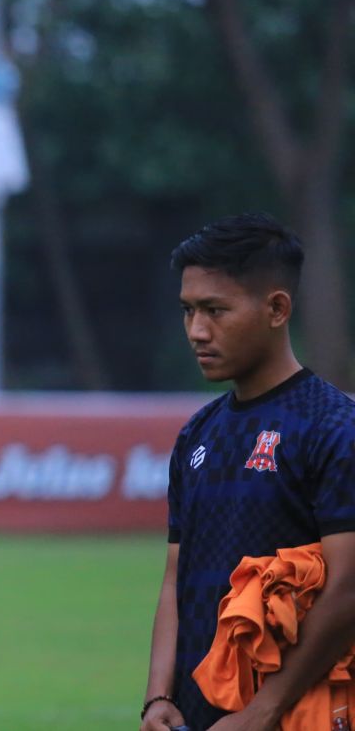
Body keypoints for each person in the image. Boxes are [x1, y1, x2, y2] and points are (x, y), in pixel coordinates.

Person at [141, 213, 355, 731]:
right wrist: (158, 696)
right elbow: (177, 577)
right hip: (195, 717)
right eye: (188, 310)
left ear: (277, 308)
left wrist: (264, 710)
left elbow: (349, 587)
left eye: (215, 310)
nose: (196, 330)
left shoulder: (334, 427)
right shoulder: (196, 435)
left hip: (299, 713)